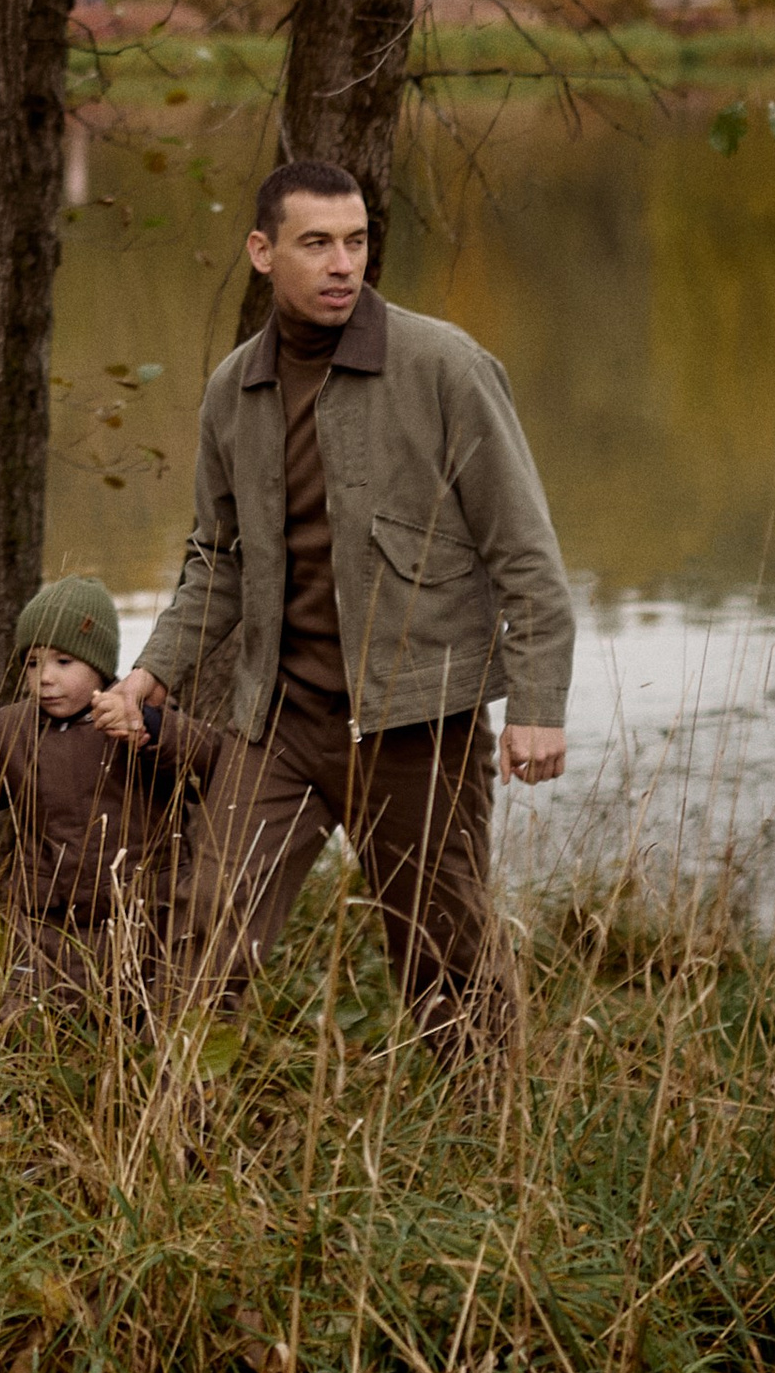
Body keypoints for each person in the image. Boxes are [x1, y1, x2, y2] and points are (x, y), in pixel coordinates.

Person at [98, 158, 573, 1063]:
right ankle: (172, 1146)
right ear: (262, 252)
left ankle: (494, 1153)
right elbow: (218, 562)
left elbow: (526, 549)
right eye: (316, 243)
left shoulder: (444, 366)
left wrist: (538, 704)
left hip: (416, 722)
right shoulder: (233, 391)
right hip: (278, 718)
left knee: (446, 957)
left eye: (355, 242)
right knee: (206, 927)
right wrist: (150, 672)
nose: (342, 263)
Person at [0, 573, 217, 1000]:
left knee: (144, 1023)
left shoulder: (135, 716)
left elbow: (204, 758)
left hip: (143, 921)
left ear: (99, 666)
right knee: (30, 1025)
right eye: (33, 662)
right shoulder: (15, 725)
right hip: (46, 924)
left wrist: (151, 730)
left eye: (63, 662)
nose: (44, 678)